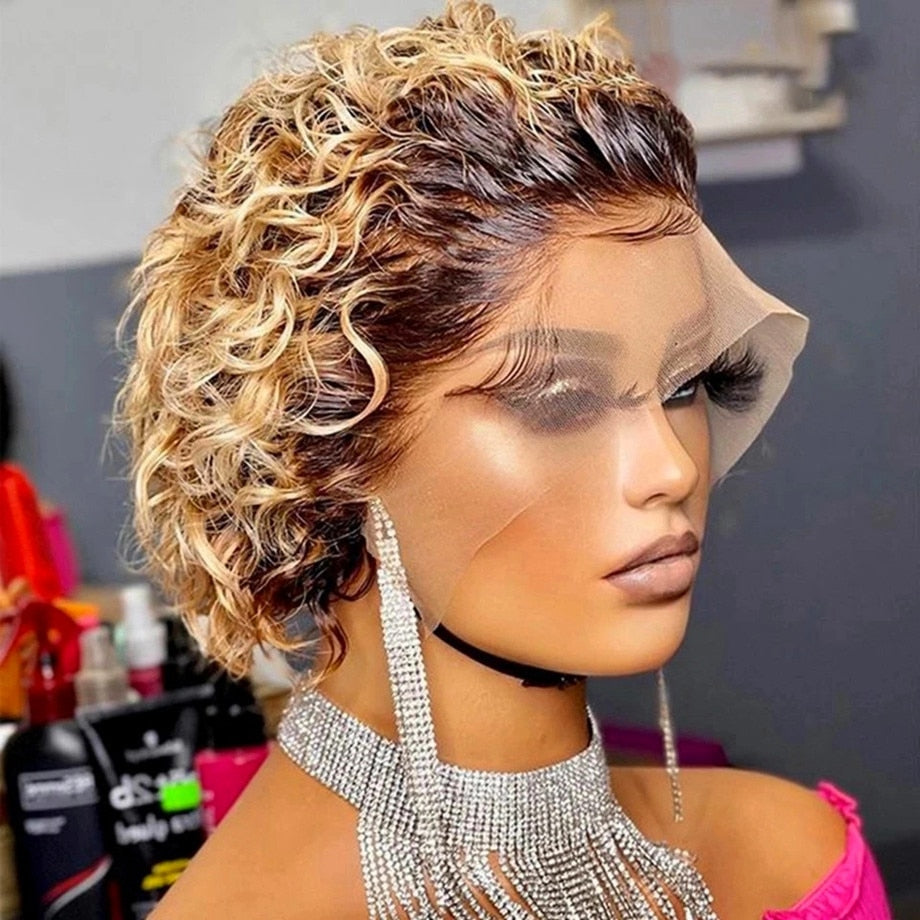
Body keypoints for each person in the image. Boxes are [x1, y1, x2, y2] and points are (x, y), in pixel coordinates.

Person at [113, 1, 892, 917]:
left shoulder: (795, 862)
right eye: (558, 400)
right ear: (328, 447)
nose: (674, 470)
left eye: (685, 382)